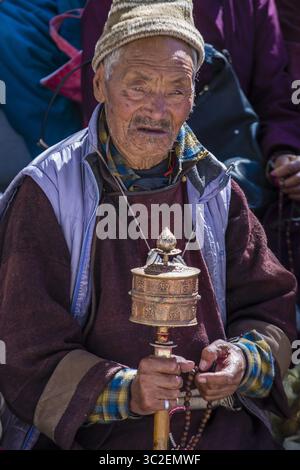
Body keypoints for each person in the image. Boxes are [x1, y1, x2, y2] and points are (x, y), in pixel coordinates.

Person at [0, 0, 297, 450]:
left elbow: (270, 307)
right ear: (100, 83)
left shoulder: (217, 189)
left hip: (214, 434)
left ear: (194, 98)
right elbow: (25, 353)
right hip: (99, 441)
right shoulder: (47, 192)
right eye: (137, 87)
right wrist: (128, 392)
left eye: (177, 90)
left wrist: (242, 360)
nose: (157, 111)